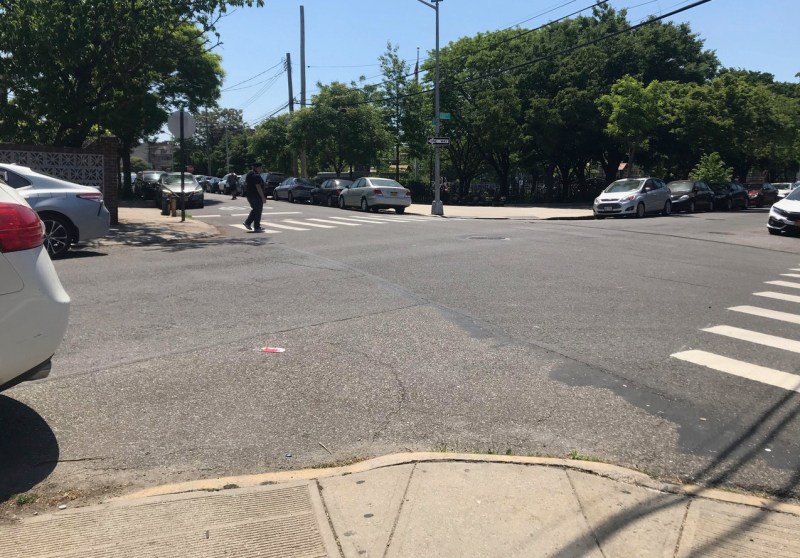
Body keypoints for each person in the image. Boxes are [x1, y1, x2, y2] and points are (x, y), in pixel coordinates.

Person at [243, 162, 266, 232]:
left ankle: (248, 223)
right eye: (261, 167)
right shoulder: (256, 176)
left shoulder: (249, 174)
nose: (261, 169)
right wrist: (263, 197)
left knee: (255, 210)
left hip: (249, 195)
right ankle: (256, 227)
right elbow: (258, 187)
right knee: (258, 211)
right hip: (256, 196)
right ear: (257, 167)